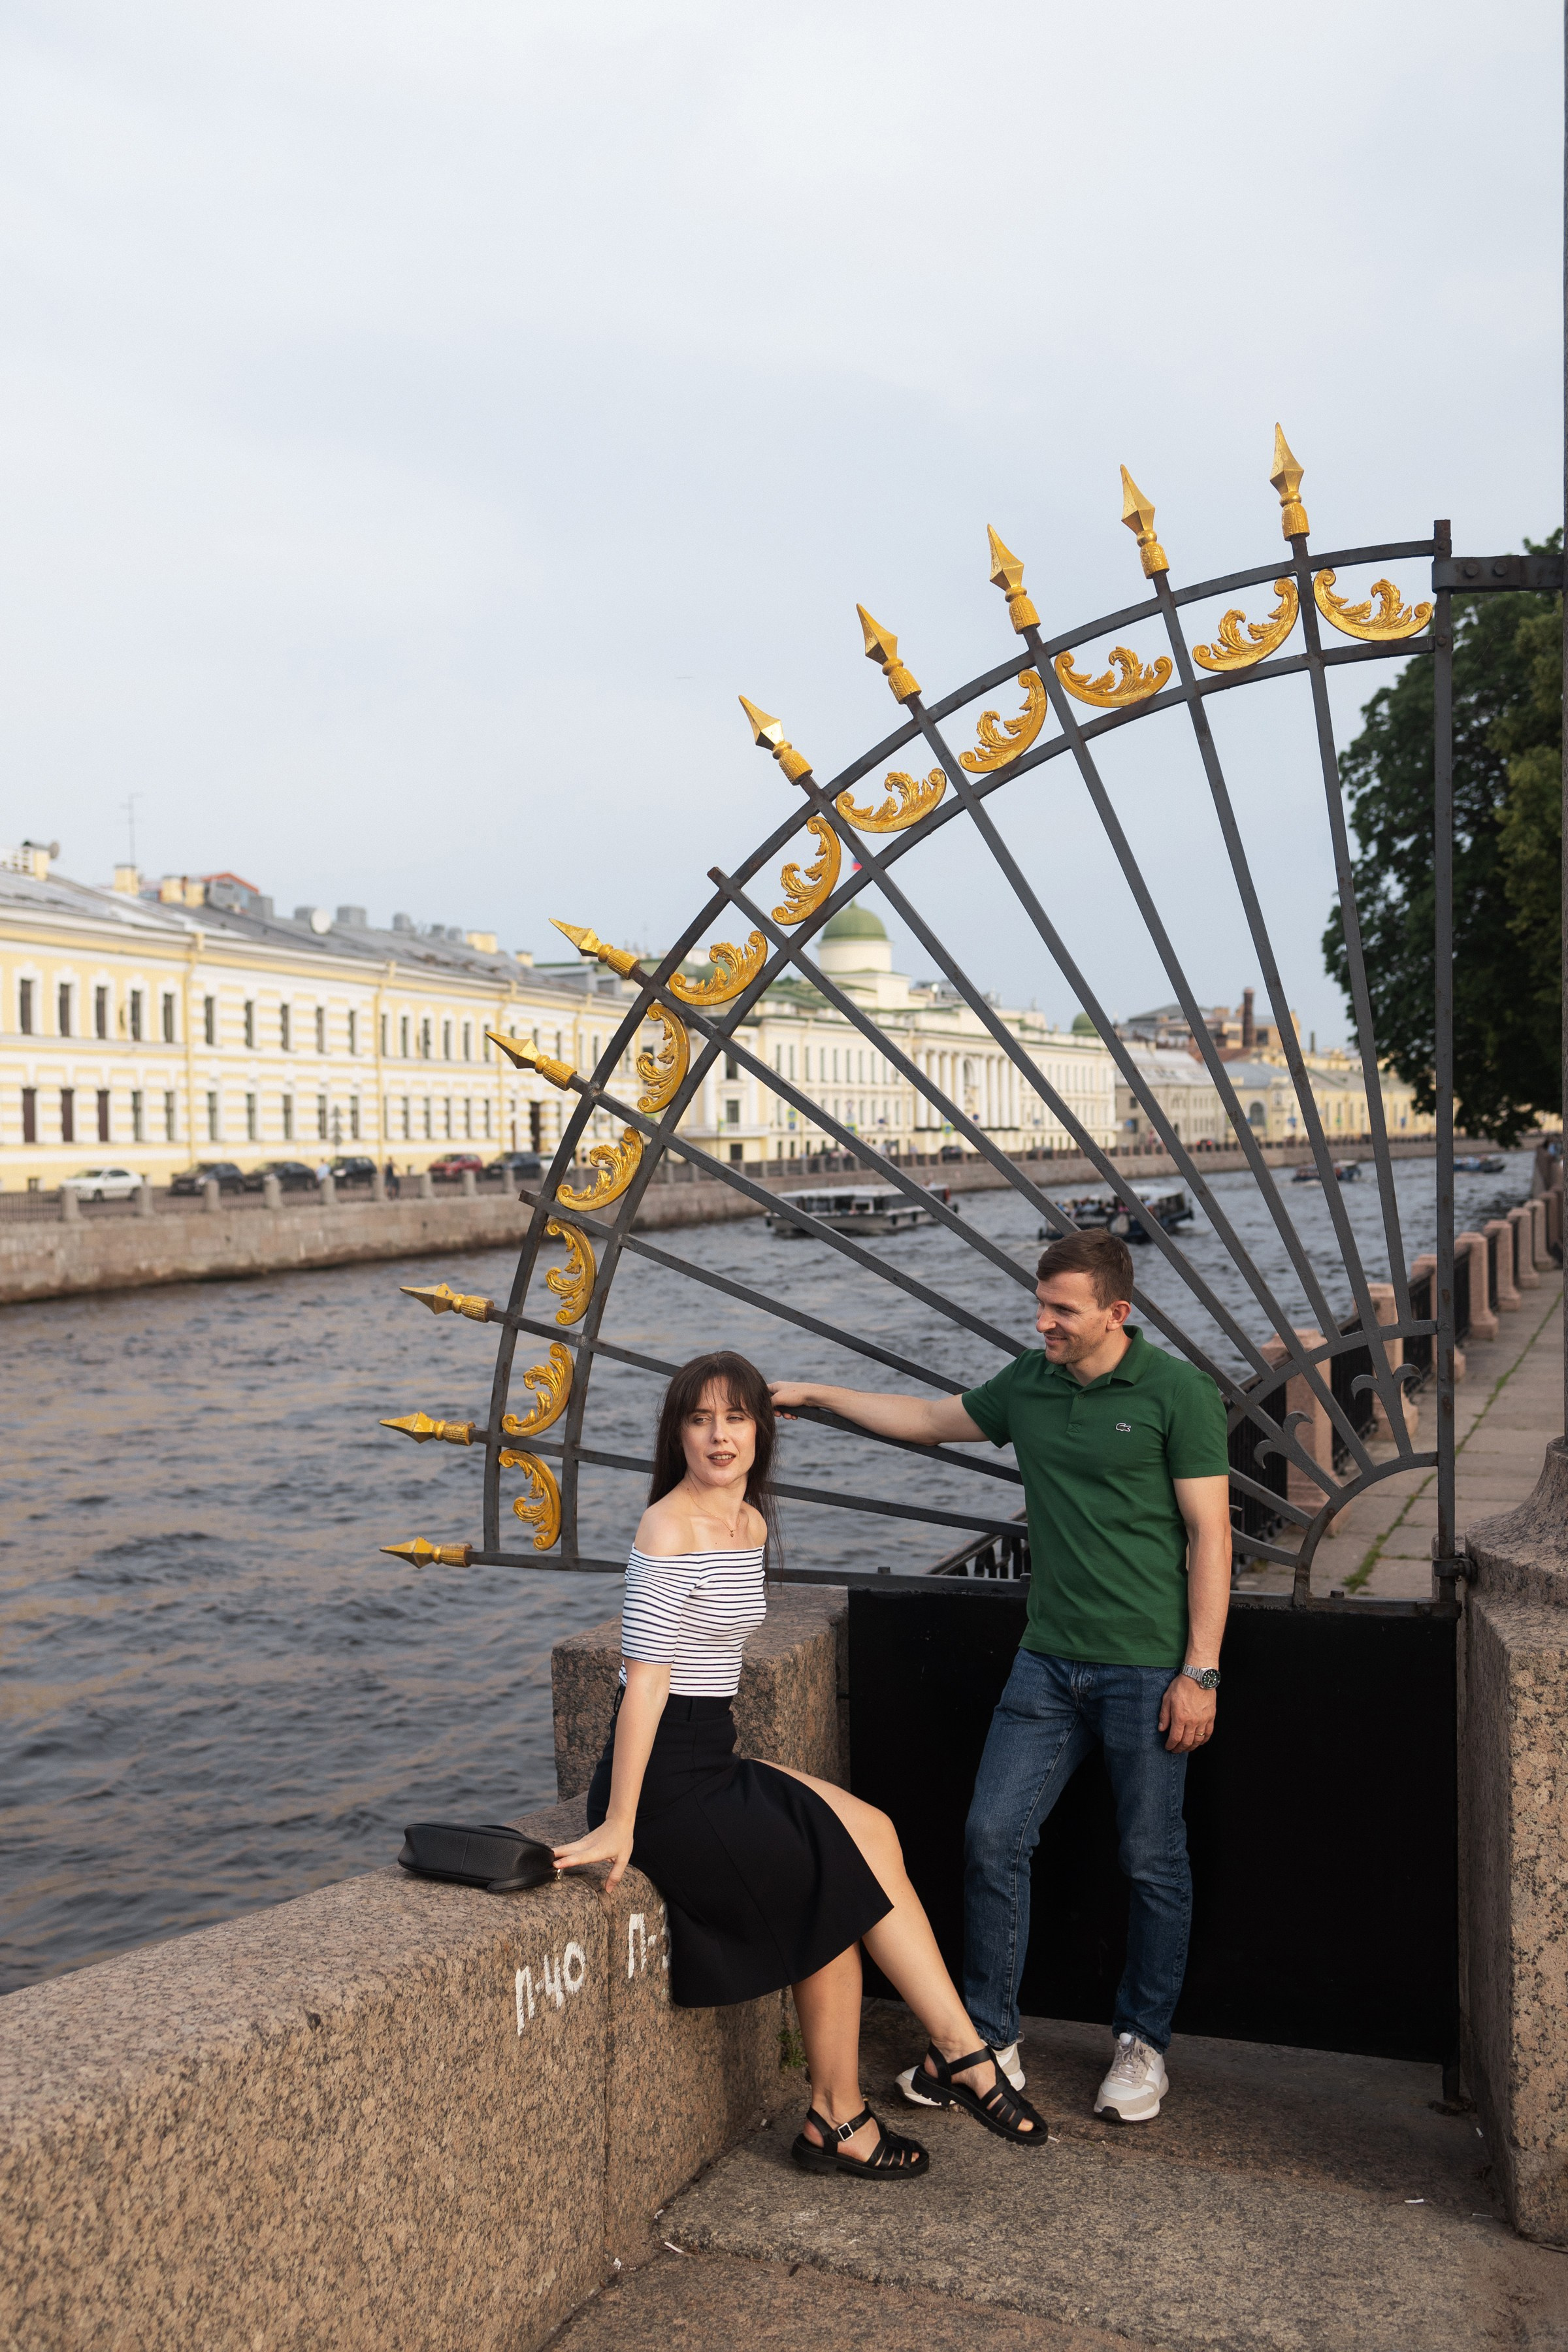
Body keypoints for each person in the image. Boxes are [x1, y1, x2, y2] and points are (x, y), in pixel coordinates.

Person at [770, 1228, 1231, 2126]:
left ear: (1115, 1313)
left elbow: (1210, 1537)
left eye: (1063, 1309)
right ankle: (989, 2040)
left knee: (1151, 1858)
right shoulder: (1032, 1382)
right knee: (990, 1838)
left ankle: (1142, 2045)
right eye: (1041, 1303)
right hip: (1048, 1661)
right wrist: (818, 1394)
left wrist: (1200, 1673)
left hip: (1147, 1667)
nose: (1044, 1321)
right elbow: (931, 1420)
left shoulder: (1178, 1393)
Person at [552, 1349, 1047, 2176]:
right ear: (675, 1433)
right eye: (700, 1419)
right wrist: (620, 1821)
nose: (719, 1436)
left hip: (713, 1753)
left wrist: (807, 1391)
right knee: (832, 1876)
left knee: (872, 1830)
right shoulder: (667, 1526)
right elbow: (645, 1684)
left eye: (736, 1417)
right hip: (668, 1780)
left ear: (761, 1428)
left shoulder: (745, 1519)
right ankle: (896, 2086)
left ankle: (925, 2065)